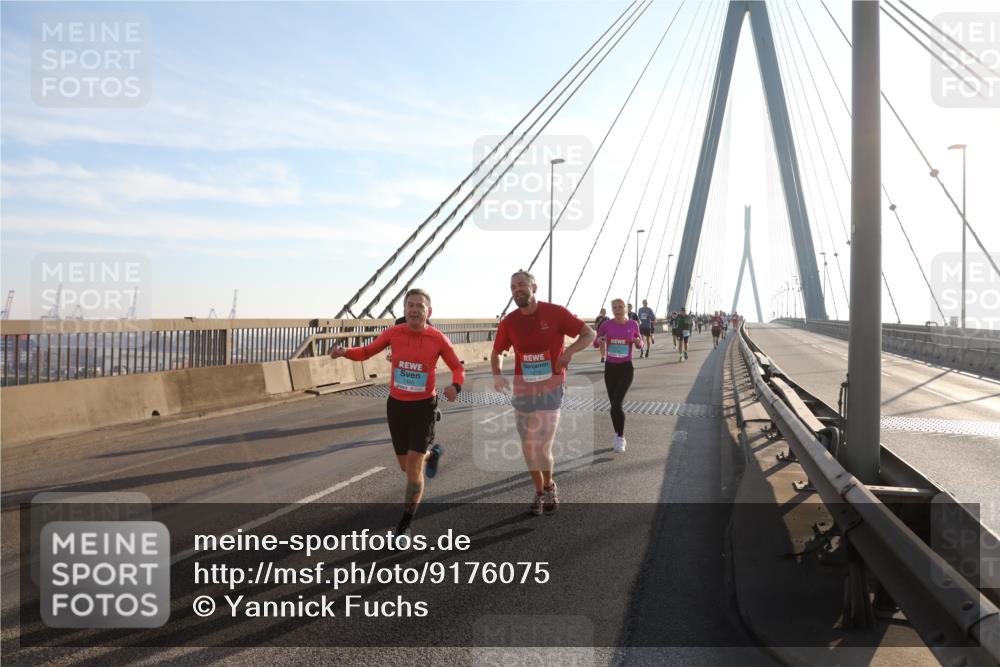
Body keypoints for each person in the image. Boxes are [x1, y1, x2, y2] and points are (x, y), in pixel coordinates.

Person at [330, 289, 463, 536]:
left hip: (423, 408)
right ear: (404, 310)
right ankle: (432, 454)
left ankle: (405, 524)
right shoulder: (393, 333)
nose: (414, 309)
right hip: (396, 406)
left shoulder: (438, 339)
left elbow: (457, 367)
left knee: (413, 469)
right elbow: (367, 352)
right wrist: (345, 352)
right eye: (410, 305)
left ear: (429, 311)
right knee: (405, 466)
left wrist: (456, 386)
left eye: (420, 306)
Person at [491, 270, 595, 516]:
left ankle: (549, 486)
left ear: (534, 287)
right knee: (528, 447)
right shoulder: (510, 321)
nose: (517, 290)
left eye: (521, 285)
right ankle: (539, 492)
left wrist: (568, 353)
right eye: (513, 287)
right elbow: (497, 352)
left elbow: (589, 333)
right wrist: (497, 374)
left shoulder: (555, 312)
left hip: (551, 388)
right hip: (523, 389)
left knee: (541, 447)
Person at [594, 299, 642, 453]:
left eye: (620, 307)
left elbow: (640, 343)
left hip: (626, 369)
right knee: (613, 406)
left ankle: (620, 438)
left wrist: (637, 341)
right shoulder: (606, 324)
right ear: (612, 310)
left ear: (626, 309)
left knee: (616, 404)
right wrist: (600, 340)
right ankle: (617, 433)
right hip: (610, 368)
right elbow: (595, 342)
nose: (618, 309)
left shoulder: (633, 324)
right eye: (615, 307)